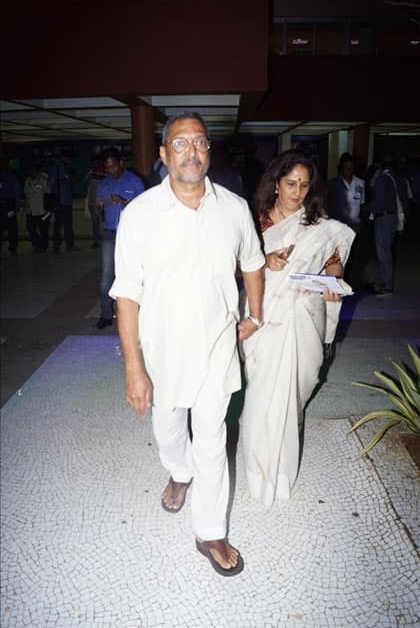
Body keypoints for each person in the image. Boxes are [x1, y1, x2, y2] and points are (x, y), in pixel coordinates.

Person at [109, 112, 265, 576]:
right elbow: (127, 295)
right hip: (162, 355)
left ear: (209, 151)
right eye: (180, 144)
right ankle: (179, 472)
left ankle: (210, 531)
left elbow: (252, 263)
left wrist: (253, 314)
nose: (191, 152)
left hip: (217, 349)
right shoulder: (139, 216)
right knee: (169, 431)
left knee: (212, 442)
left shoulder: (234, 208)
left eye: (199, 143)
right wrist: (134, 369)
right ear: (163, 154)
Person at [240, 150, 355, 508]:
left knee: (296, 391)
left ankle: (284, 473)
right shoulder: (255, 222)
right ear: (276, 183)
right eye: (291, 183)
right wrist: (264, 261)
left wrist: (330, 282)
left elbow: (334, 266)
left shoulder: (319, 225)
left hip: (304, 313)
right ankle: (259, 475)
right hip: (265, 316)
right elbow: (235, 265)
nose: (298, 191)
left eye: (305, 185)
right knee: (261, 398)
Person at [94, 149, 145, 329]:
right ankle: (106, 314)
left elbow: (144, 209)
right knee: (107, 274)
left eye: (113, 166)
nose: (111, 170)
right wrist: (98, 206)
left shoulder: (134, 181)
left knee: (133, 274)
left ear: (120, 163)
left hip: (130, 233)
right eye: (107, 168)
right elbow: (97, 211)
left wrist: (123, 201)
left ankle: (138, 314)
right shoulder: (103, 184)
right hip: (109, 232)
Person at [370, 154, 406, 296]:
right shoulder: (396, 178)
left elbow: (377, 201)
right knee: (386, 251)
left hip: (383, 217)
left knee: (383, 253)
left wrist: (370, 211)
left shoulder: (381, 179)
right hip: (392, 218)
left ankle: (387, 285)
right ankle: (381, 282)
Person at [48, 154, 78, 253]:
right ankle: (57, 245)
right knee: (58, 224)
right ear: (62, 157)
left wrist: (72, 179)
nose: (69, 160)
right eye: (68, 158)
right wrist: (66, 180)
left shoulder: (67, 168)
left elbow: (71, 182)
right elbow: (52, 183)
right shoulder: (55, 168)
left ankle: (70, 245)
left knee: (68, 224)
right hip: (59, 201)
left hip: (67, 200)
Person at [327, 153, 365, 233]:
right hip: (338, 226)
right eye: (346, 167)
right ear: (341, 168)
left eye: (351, 167)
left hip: (354, 226)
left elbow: (361, 204)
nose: (348, 170)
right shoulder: (333, 184)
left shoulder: (360, 183)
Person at [23, 164, 50, 253]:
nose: (32, 172)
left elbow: (48, 192)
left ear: (37, 171)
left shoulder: (43, 180)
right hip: (30, 211)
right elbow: (26, 195)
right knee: (31, 229)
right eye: (30, 170)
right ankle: (36, 245)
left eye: (34, 170)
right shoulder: (27, 181)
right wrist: (26, 207)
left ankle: (44, 246)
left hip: (42, 210)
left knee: (44, 230)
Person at [84, 157, 106, 249]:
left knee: (105, 222)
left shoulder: (106, 173)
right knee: (95, 222)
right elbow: (85, 184)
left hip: (105, 201)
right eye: (95, 162)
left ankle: (107, 240)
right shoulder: (91, 173)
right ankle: (96, 241)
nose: (96, 164)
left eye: (98, 162)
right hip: (93, 202)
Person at [0, 158, 21, 255]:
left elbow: (16, 191)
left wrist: (17, 205)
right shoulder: (11, 175)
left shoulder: (11, 176)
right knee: (11, 227)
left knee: (11, 227)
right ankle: (13, 247)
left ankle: (13, 247)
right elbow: (16, 191)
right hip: (8, 204)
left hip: (8, 204)